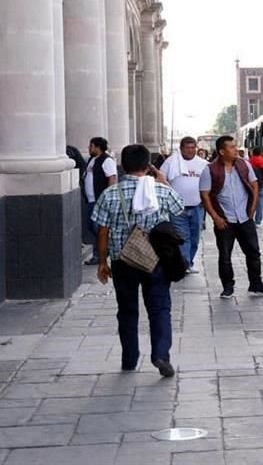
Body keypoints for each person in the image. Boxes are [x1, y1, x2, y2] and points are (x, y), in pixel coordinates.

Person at [91, 144, 184, 377]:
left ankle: (129, 359)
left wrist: (102, 262)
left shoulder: (110, 194)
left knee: (127, 310)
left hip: (123, 260)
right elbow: (179, 208)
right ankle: (161, 354)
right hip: (156, 260)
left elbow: (102, 231)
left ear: (123, 166)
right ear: (147, 165)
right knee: (160, 308)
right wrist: (163, 180)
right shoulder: (161, 190)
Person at [200, 135, 263, 299]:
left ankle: (256, 284)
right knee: (225, 256)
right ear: (222, 151)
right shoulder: (210, 170)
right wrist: (215, 217)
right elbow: (205, 196)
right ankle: (228, 287)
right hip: (225, 220)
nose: (236, 150)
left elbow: (254, 185)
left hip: (244, 217)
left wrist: (253, 208)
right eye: (232, 147)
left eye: (235, 146)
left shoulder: (244, 164)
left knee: (253, 252)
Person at [161, 136, 209, 272]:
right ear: (181, 148)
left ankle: (189, 261)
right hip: (177, 208)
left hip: (197, 207)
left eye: (193, 147)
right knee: (183, 237)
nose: (190, 150)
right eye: (187, 148)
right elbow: (161, 179)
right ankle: (184, 265)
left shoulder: (203, 164)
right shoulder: (171, 162)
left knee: (195, 238)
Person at [83, 137, 118, 265]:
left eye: (91, 146)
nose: (89, 148)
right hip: (91, 200)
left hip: (99, 200)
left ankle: (99, 254)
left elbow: (112, 178)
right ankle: (104, 248)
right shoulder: (92, 160)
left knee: (97, 228)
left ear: (97, 147)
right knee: (92, 226)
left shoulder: (107, 160)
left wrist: (108, 197)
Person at [248, 147, 263, 225]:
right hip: (261, 185)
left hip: (250, 186)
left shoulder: (249, 162)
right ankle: (258, 221)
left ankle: (249, 218)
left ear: (253, 153)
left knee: (250, 202)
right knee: (260, 204)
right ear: (261, 153)